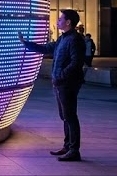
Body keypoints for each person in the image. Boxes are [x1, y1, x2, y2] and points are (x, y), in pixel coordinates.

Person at [19, 9, 87, 161]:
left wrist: (61, 76)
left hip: (67, 84)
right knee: (65, 116)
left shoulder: (75, 39)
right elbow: (46, 48)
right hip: (59, 83)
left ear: (68, 22)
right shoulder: (63, 39)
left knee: (70, 116)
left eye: (60, 19)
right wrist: (26, 43)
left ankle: (74, 150)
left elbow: (76, 63)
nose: (58, 21)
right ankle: (67, 146)